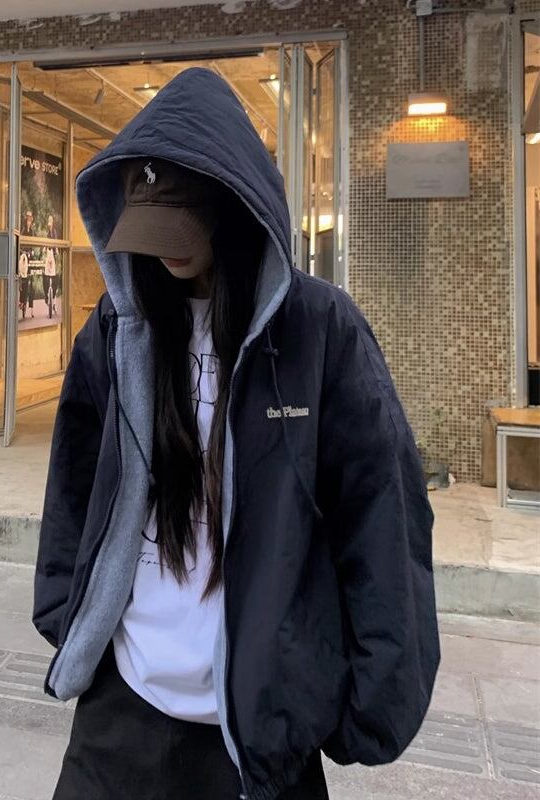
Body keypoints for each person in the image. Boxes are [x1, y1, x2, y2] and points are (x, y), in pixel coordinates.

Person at [33, 68, 439, 800]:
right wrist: (69, 610)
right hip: (120, 711)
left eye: (182, 225)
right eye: (150, 228)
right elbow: (74, 478)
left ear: (235, 203)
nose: (167, 252)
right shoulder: (120, 329)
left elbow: (380, 510)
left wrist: (369, 696)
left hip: (259, 727)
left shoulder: (319, 330)